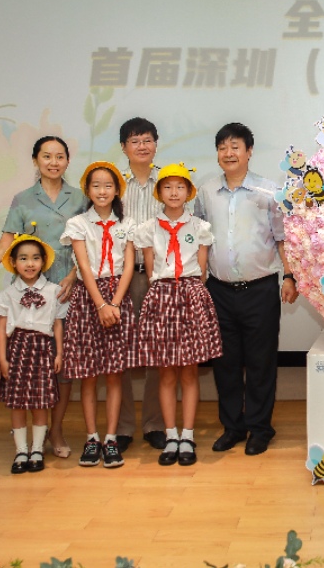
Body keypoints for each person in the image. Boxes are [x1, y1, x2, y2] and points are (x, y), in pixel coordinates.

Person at [0, 136, 87, 459]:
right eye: (47, 156)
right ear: (35, 160)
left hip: (67, 291)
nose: (53, 162)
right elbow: (4, 244)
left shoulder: (80, 198)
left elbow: (89, 243)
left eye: (60, 156)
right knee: (30, 367)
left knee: (62, 368)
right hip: (27, 297)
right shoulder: (23, 199)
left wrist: (75, 274)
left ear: (68, 161)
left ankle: (56, 430)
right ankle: (28, 438)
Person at [197, 123, 298, 457]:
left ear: (249, 151)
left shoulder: (269, 192)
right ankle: (233, 427)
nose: (228, 153)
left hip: (260, 289)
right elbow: (198, 238)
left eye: (235, 147)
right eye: (222, 147)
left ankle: (259, 428)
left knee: (260, 362)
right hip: (218, 290)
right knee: (224, 363)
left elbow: (283, 238)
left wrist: (289, 276)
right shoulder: (206, 191)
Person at [133, 162, 223, 467]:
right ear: (159, 192)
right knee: (166, 373)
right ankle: (170, 434)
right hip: (161, 296)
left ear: (189, 192)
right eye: (168, 187)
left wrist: (188, 295)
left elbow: (202, 270)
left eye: (180, 187)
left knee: (189, 372)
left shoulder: (199, 227)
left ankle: (188, 435)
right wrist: (164, 296)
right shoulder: (148, 228)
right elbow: (150, 269)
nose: (174, 192)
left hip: (190, 294)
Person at [60, 162, 138, 469]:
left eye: (108, 185)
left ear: (117, 190)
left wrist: (115, 304)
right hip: (88, 298)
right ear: (87, 189)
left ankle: (111, 438)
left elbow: (129, 266)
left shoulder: (127, 224)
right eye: (96, 185)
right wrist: (101, 305)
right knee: (89, 374)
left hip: (118, 296)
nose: (102, 191)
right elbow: (83, 266)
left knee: (115, 373)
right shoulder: (78, 223)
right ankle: (91, 437)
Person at [0, 232, 68, 474]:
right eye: (23, 258)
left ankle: (37, 449)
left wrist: (59, 354)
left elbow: (58, 325)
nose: (30, 263)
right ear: (13, 262)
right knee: (17, 404)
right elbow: (1, 330)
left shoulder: (54, 291)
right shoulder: (6, 295)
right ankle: (21, 450)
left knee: (40, 402)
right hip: (17, 349)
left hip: (43, 349)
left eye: (35, 258)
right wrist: (2, 359)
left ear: (43, 262)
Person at [116, 118, 167, 451]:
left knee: (158, 351)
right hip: (121, 277)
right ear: (124, 148)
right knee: (119, 351)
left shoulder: (170, 182)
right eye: (134, 141)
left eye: (147, 140)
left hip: (159, 277)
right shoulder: (113, 184)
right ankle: (122, 426)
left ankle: (154, 423)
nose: (142, 146)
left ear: (156, 144)